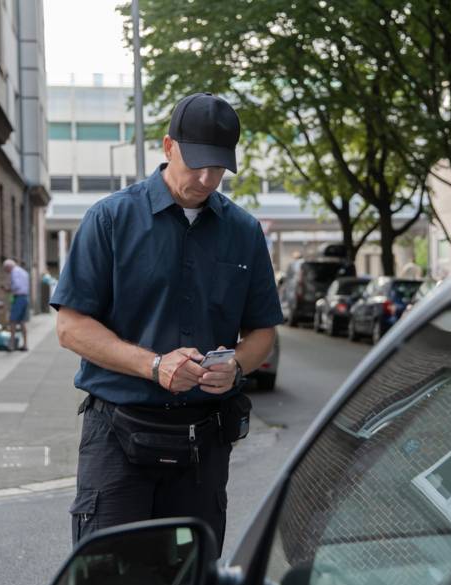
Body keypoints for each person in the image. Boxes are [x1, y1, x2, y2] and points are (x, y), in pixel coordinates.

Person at [50, 92, 282, 554]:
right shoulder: (111, 219)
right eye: (195, 162)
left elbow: (263, 334)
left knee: (191, 578)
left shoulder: (244, 232)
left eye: (217, 168)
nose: (205, 178)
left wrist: (236, 366)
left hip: (205, 442)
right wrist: (154, 365)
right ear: (167, 146)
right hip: (117, 434)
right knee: (107, 580)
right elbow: (71, 327)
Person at [1, 259, 29, 351]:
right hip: (25, 298)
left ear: (8, 267)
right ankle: (25, 345)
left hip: (19, 298)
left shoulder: (14, 272)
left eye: (6, 270)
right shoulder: (23, 272)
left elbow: (16, 286)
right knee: (22, 322)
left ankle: (11, 345)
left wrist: (8, 289)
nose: (7, 272)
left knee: (12, 321)